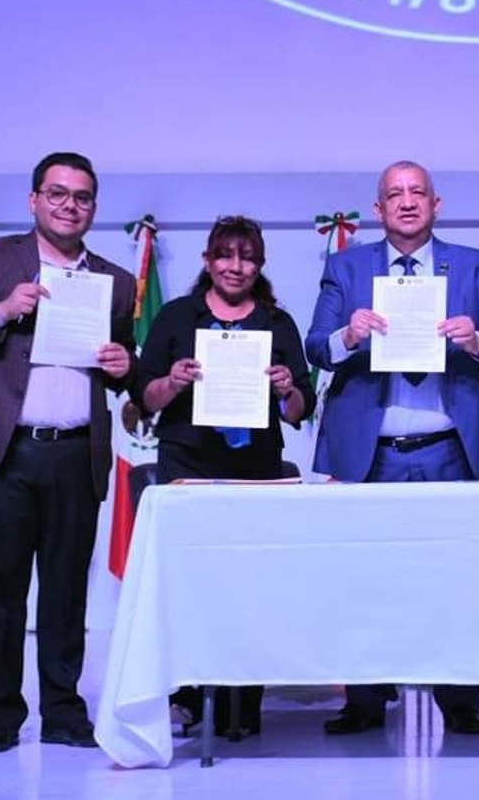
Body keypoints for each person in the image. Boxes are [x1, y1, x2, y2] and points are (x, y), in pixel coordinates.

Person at [0, 151, 136, 754]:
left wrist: (124, 366)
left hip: (75, 453)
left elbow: (122, 366)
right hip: (2, 453)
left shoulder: (115, 280)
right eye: (58, 194)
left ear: (94, 207)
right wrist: (1, 310)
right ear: (34, 200)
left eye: (82, 197)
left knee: (67, 592)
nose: (70, 205)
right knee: (0, 592)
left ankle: (64, 712)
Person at [305, 160, 479, 736]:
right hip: (371, 451)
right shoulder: (346, 267)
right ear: (378, 209)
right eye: (394, 194)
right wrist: (349, 334)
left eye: (417, 192)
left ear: (435, 204)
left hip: (450, 447)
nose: (406, 202)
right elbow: (316, 348)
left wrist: (477, 340)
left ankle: (461, 701)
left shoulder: (475, 264)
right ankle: (366, 701)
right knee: (365, 579)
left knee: (456, 578)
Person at [131, 215, 314, 739]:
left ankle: (245, 700)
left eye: (247, 257)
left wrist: (286, 389)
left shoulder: (277, 323)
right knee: (188, 584)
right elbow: (144, 399)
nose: (236, 267)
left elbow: (301, 409)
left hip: (256, 468)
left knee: (251, 585)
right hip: (188, 465)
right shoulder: (176, 316)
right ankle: (187, 697)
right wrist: (172, 381)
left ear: (260, 265)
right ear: (207, 261)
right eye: (226, 256)